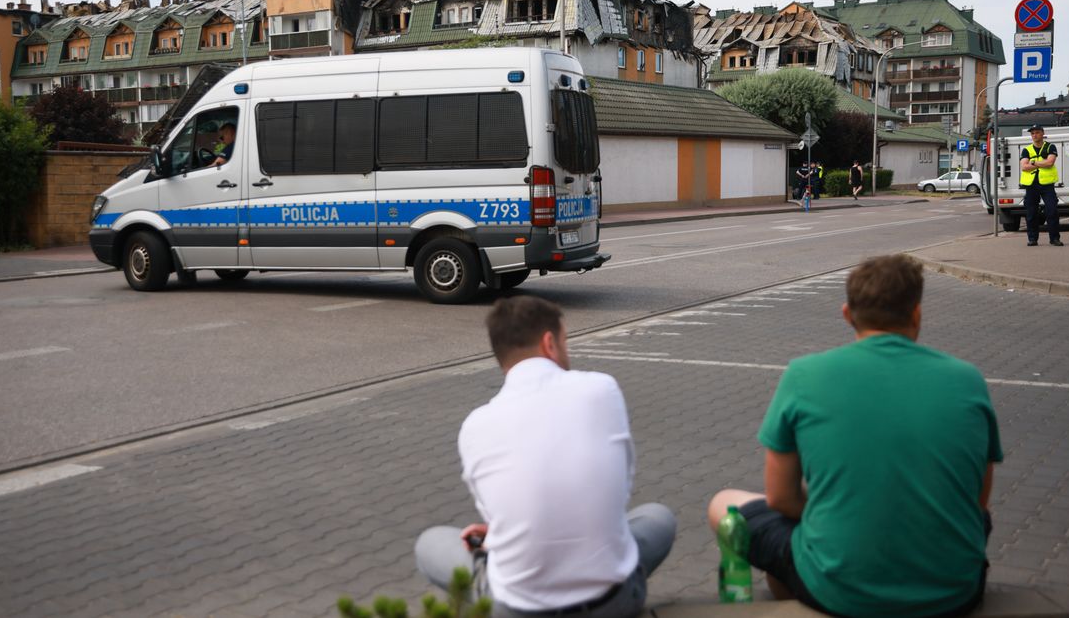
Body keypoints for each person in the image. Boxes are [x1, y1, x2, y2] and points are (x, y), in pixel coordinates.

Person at [707, 255, 1002, 617]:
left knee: (723, 503)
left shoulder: (805, 375)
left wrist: (831, 511)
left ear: (847, 314)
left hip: (840, 589)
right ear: (916, 315)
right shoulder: (967, 379)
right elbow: (977, 501)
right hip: (953, 592)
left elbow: (780, 498)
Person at [415, 296, 677, 617]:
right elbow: (620, 488)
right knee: (658, 517)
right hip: (613, 603)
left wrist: (500, 534)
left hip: (518, 610)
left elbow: (497, 518)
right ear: (549, 342)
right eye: (566, 340)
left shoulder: (475, 425)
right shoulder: (602, 389)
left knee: (429, 543)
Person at [1020, 124, 1062, 247]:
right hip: (1031, 185)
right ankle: (1032, 239)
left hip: (1047, 185)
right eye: (1032, 133)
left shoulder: (1050, 147)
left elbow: (1050, 163)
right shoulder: (1026, 149)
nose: (1035, 135)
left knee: (1052, 211)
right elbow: (1024, 166)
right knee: (1031, 213)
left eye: (1037, 132)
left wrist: (1033, 162)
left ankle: (1054, 238)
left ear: (1042, 133)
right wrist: (1040, 163)